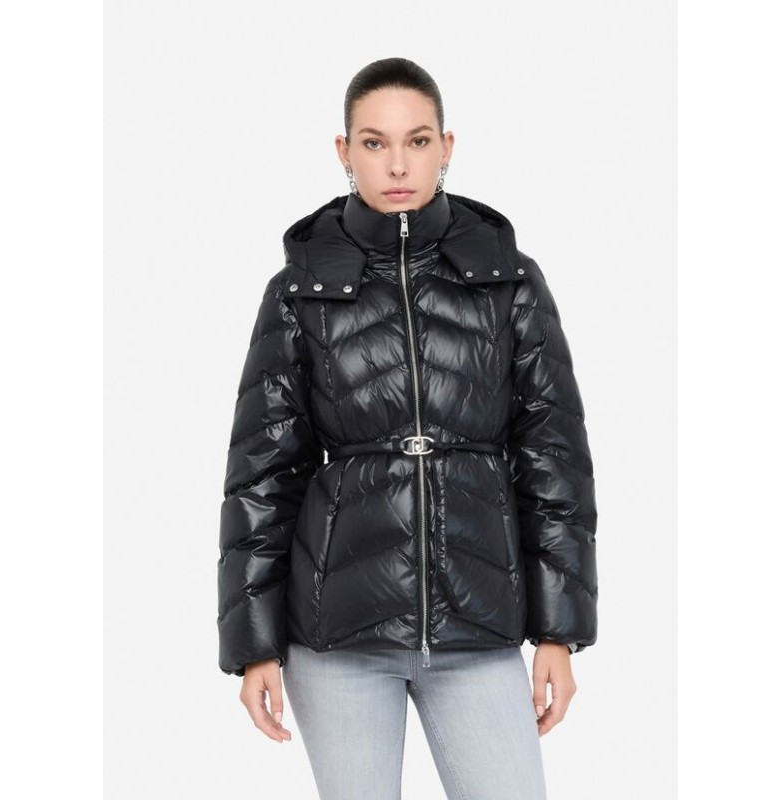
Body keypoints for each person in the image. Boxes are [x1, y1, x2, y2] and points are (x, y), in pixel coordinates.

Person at [216, 57, 598, 800]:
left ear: (446, 146)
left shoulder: (508, 277)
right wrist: (253, 645)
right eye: (374, 142)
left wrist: (559, 631)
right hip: (335, 634)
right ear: (344, 150)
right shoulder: (300, 288)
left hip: (477, 624)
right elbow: (262, 474)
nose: (397, 164)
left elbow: (553, 457)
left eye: (417, 141)